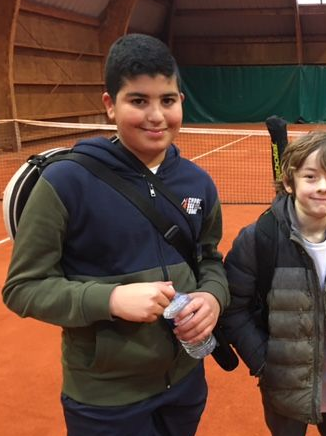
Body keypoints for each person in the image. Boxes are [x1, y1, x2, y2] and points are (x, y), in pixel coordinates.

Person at [2, 33, 228, 436]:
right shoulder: (65, 183)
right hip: (105, 399)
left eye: (167, 100)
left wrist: (213, 296)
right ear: (110, 105)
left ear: (181, 101)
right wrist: (110, 299)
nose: (156, 115)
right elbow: (23, 288)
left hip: (185, 383)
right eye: (138, 101)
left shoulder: (198, 183)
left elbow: (209, 258)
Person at [221, 130, 326, 436]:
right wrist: (264, 362)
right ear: (290, 182)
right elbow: (234, 308)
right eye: (311, 177)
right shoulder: (258, 239)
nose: (323, 187)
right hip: (284, 386)